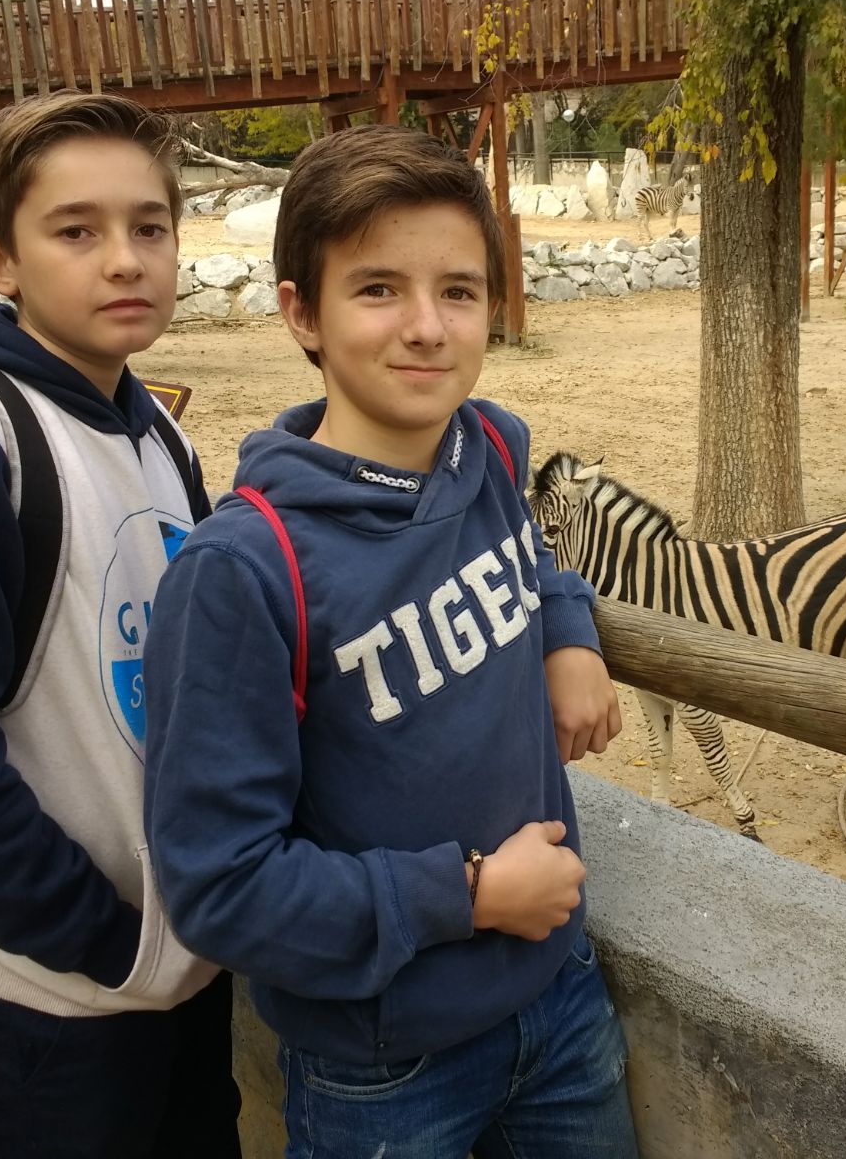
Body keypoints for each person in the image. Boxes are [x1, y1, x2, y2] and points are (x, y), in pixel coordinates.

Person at [143, 125, 639, 1158]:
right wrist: (468, 895)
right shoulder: (242, 573)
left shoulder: (488, 444)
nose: (426, 327)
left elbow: (528, 551)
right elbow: (221, 887)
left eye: (458, 291)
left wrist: (567, 627)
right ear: (301, 313)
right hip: (384, 1071)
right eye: (377, 289)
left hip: (558, 995)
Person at [0, 90, 240, 1158]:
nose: (124, 261)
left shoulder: (157, 431)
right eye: (76, 231)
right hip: (57, 1001)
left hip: (184, 959)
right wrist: (104, 942)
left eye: (149, 227)